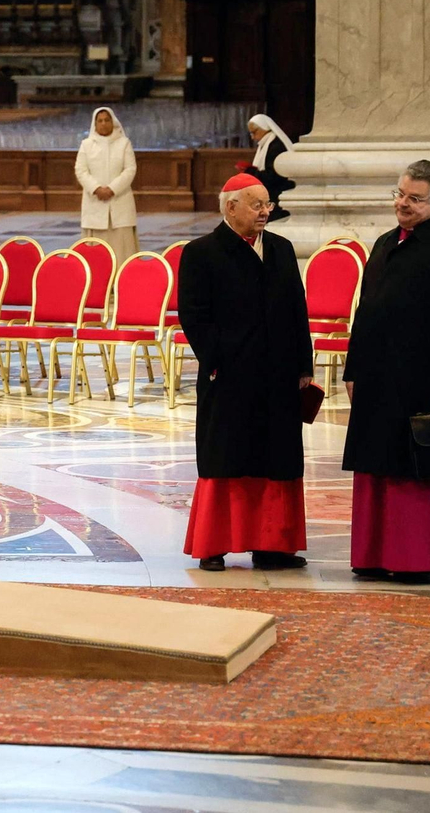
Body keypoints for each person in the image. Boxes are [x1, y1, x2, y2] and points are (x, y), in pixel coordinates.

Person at [341, 161, 430, 584]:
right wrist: (353, 369)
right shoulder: (386, 242)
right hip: (378, 377)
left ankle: (426, 559)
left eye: (414, 198)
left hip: (423, 380)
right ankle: (375, 553)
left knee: (417, 469)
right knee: (378, 462)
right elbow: (366, 311)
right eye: (400, 194)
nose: (402, 203)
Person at [178, 173, 315, 572]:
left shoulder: (281, 249)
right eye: (257, 205)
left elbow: (298, 309)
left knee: (276, 459)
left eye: (267, 204)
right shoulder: (201, 253)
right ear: (231, 207)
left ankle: (273, 546)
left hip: (279, 376)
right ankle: (214, 545)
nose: (265, 211)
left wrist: (303, 365)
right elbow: (194, 316)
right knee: (227, 457)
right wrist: (217, 359)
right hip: (230, 376)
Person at [75, 106, 139, 262]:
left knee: (122, 252)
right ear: (95, 124)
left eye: (107, 120)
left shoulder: (124, 143)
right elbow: (81, 170)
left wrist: (112, 189)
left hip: (120, 203)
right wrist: (96, 189)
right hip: (95, 203)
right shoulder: (86, 145)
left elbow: (130, 169)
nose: (103, 124)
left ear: (113, 122)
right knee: (95, 256)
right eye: (100, 121)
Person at [242, 114, 296, 222]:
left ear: (264, 128)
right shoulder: (265, 143)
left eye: (254, 132)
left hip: (278, 194)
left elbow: (275, 175)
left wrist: (251, 171)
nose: (252, 137)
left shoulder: (276, 146)